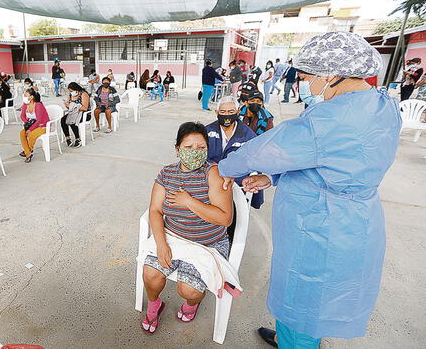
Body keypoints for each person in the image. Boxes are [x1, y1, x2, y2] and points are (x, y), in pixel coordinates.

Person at [217, 32, 401, 349]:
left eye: (305, 77)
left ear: (331, 74)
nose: (304, 84)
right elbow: (340, 163)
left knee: (306, 297)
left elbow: (259, 153)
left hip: (319, 227)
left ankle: (296, 343)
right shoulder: (382, 105)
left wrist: (220, 169)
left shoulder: (326, 121)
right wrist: (272, 179)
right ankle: (291, 336)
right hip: (354, 220)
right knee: (315, 299)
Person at [141, 121, 233, 333]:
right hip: (174, 236)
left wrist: (188, 201)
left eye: (201, 148)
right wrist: (161, 243)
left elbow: (225, 219)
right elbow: (155, 210)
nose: (195, 153)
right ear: (177, 150)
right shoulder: (167, 174)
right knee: (151, 274)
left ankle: (192, 304)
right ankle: (155, 304)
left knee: (189, 290)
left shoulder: (213, 173)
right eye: (188, 148)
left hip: (208, 243)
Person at [205, 97, 263, 211]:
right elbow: (200, 158)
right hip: (210, 183)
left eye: (231, 112)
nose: (227, 115)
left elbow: (254, 164)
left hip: (237, 186)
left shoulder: (248, 136)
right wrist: (216, 171)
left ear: (237, 112)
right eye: (223, 112)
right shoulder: (206, 131)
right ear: (216, 113)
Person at [19, 89, 50, 163]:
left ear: (31, 97)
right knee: (22, 133)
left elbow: (39, 120)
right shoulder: (25, 104)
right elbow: (22, 116)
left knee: (31, 134)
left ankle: (27, 152)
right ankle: (28, 152)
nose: (24, 97)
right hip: (32, 124)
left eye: (26, 95)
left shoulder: (38, 105)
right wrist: (27, 123)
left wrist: (30, 129)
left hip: (43, 125)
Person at [60, 82, 90, 147]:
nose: (71, 92)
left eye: (71, 91)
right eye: (70, 91)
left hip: (84, 114)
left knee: (72, 120)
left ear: (76, 89)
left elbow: (85, 108)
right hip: (74, 113)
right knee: (63, 120)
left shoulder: (83, 94)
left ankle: (78, 139)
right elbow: (69, 107)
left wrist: (73, 106)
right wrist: (67, 105)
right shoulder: (71, 95)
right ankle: (68, 138)